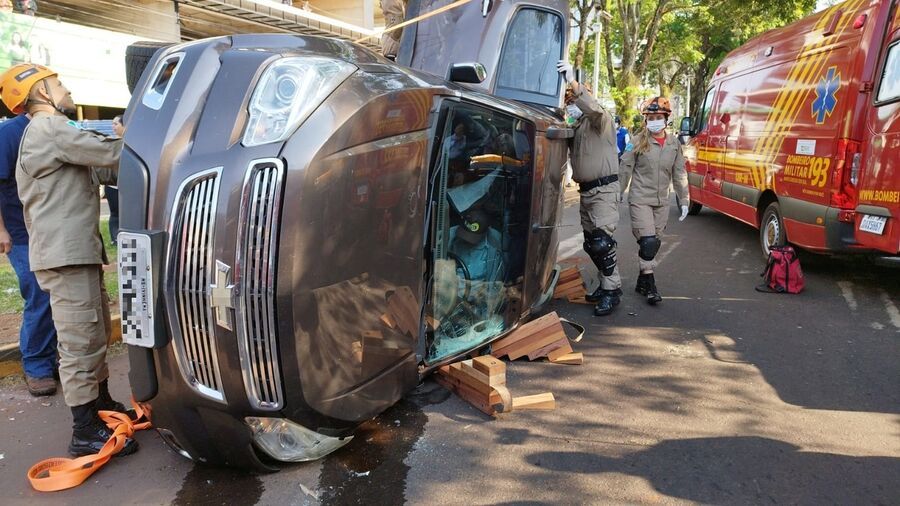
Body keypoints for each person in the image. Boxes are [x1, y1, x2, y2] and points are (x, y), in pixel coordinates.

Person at [0, 63, 138, 457]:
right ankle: (84, 431)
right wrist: (129, 137)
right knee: (78, 340)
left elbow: (102, 170)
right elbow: (113, 154)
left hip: (77, 253)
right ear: (42, 92)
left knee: (93, 334)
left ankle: (100, 405)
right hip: (64, 255)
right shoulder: (48, 129)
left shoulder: (56, 136)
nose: (66, 87)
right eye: (57, 82)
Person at [557, 60, 622, 316]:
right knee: (590, 243)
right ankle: (609, 285)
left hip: (604, 190)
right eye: (568, 102)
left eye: (573, 100)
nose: (570, 105)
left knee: (601, 244)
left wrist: (573, 82)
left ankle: (611, 291)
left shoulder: (600, 120)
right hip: (586, 191)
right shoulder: (577, 127)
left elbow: (594, 109)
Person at [0, 112, 58, 396]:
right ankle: (36, 366)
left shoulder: (51, 127)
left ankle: (55, 359)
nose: (67, 90)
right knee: (39, 294)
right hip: (21, 233)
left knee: (58, 295)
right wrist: (1, 230)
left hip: (51, 231)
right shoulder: (11, 132)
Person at [619, 96, 690, 305]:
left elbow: (679, 173)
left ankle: (642, 279)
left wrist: (684, 199)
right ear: (646, 120)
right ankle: (650, 285)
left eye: (658, 117)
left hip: (662, 201)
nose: (654, 121)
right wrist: (616, 195)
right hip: (640, 198)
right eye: (651, 117)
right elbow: (625, 169)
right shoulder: (636, 141)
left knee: (655, 242)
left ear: (666, 118)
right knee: (648, 242)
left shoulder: (674, 144)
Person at [105, 115, 122, 245]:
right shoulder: (110, 142)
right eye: (112, 124)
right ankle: (115, 239)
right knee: (115, 213)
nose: (113, 127)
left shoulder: (131, 143)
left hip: (126, 185)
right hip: (112, 186)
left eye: (116, 124)